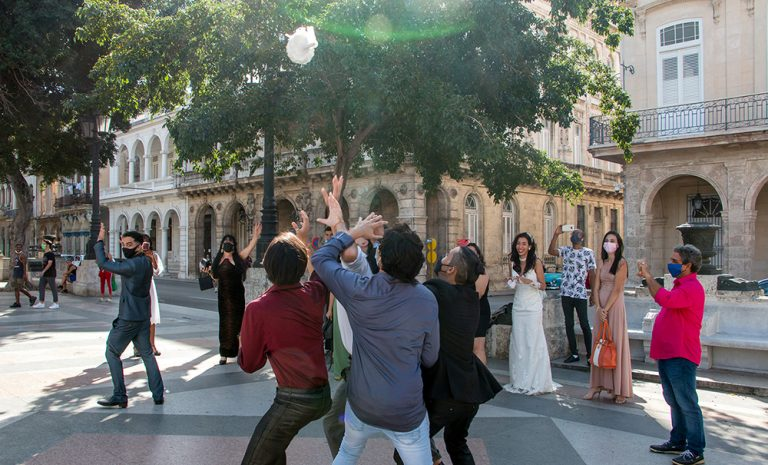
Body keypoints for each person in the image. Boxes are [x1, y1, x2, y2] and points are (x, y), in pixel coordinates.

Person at [312, 192, 439, 465]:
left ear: (380, 259)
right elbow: (430, 357)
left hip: (362, 404)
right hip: (405, 409)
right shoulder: (427, 299)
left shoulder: (361, 291)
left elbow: (321, 258)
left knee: (347, 453)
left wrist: (354, 231)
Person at [395, 245, 502, 465]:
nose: (441, 258)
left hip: (450, 394)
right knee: (456, 442)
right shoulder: (470, 296)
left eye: (446, 256)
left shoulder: (439, 292)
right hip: (470, 390)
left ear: (451, 269)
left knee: (407, 449)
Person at [318, 177, 376, 459]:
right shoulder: (354, 275)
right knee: (406, 430)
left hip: (365, 368)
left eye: (363, 243)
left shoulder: (362, 276)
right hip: (360, 365)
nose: (357, 247)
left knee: (335, 422)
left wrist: (342, 224)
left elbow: (345, 254)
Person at [639, 245, 706, 465]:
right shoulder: (680, 285)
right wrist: (649, 279)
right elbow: (662, 297)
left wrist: (648, 276)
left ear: (687, 266)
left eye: (675, 261)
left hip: (681, 354)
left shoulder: (692, 288)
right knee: (674, 400)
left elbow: (664, 299)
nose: (671, 263)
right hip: (668, 353)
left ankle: (695, 450)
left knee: (687, 402)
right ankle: (678, 440)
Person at [94, 224, 164, 408]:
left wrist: (100, 240)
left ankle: (119, 395)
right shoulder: (145, 262)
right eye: (123, 244)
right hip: (143, 316)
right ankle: (158, 394)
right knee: (147, 354)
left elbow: (103, 264)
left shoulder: (132, 264)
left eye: (130, 244)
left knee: (111, 352)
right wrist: (114, 258)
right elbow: (121, 264)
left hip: (129, 318)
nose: (126, 247)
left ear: (140, 246)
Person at [504, 232, 557, 395]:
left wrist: (530, 282)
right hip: (518, 305)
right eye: (518, 243)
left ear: (530, 246)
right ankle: (519, 380)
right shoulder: (512, 261)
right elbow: (512, 282)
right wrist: (511, 281)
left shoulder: (536, 262)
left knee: (532, 341)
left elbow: (543, 285)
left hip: (533, 306)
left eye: (523, 244)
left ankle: (535, 380)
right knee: (519, 342)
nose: (520, 247)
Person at [584, 231, 632, 404]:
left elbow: (618, 289)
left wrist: (606, 308)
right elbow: (596, 286)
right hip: (601, 305)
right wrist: (598, 307)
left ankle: (619, 389)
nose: (609, 243)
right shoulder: (601, 262)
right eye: (606, 240)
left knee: (615, 342)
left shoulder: (622, 263)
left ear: (618, 245)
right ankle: (596, 385)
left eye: (612, 241)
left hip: (615, 305)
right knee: (599, 343)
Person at [210, 223, 259, 365]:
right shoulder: (218, 260)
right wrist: (209, 273)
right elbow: (215, 277)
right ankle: (224, 354)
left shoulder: (239, 257)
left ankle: (239, 351)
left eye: (230, 242)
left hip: (237, 297)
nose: (228, 244)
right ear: (222, 245)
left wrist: (255, 236)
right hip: (223, 298)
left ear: (233, 246)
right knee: (225, 325)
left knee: (238, 325)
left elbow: (250, 248)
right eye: (225, 242)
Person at [548, 225, 596, 364]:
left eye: (577, 234)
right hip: (566, 292)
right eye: (573, 234)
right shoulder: (566, 250)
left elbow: (592, 273)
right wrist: (556, 235)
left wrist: (593, 293)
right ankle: (574, 353)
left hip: (580, 293)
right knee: (568, 323)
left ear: (582, 238)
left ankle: (590, 355)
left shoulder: (588, 253)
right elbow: (551, 251)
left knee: (584, 324)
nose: (574, 236)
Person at [133, 235, 165, 357]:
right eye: (143, 242)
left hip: (149, 286)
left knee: (152, 318)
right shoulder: (136, 255)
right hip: (138, 286)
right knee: (138, 317)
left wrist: (152, 259)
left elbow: (157, 271)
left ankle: (152, 345)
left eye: (147, 242)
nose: (145, 245)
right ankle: (137, 347)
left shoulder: (153, 255)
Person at [466, 242, 491, 365]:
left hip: (480, 311)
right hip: (467, 311)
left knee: (478, 346)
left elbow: (478, 294)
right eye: (467, 253)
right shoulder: (463, 271)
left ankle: (482, 375)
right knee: (469, 347)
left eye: (473, 253)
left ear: (478, 256)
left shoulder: (482, 271)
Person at [32, 238, 59, 309]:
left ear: (48, 245)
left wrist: (43, 271)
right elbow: (44, 264)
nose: (42, 245)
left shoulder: (50, 254)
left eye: (44, 244)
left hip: (50, 274)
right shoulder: (45, 254)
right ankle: (41, 302)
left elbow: (50, 263)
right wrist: (40, 271)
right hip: (44, 274)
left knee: (53, 288)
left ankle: (56, 303)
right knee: (41, 287)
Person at [9, 243, 37, 308]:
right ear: (15, 248)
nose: (18, 248)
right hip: (15, 273)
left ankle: (31, 297)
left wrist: (24, 274)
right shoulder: (16, 255)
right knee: (16, 288)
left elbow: (24, 266)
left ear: (21, 248)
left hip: (20, 274)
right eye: (17, 247)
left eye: (19, 247)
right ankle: (17, 303)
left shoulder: (22, 255)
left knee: (20, 288)